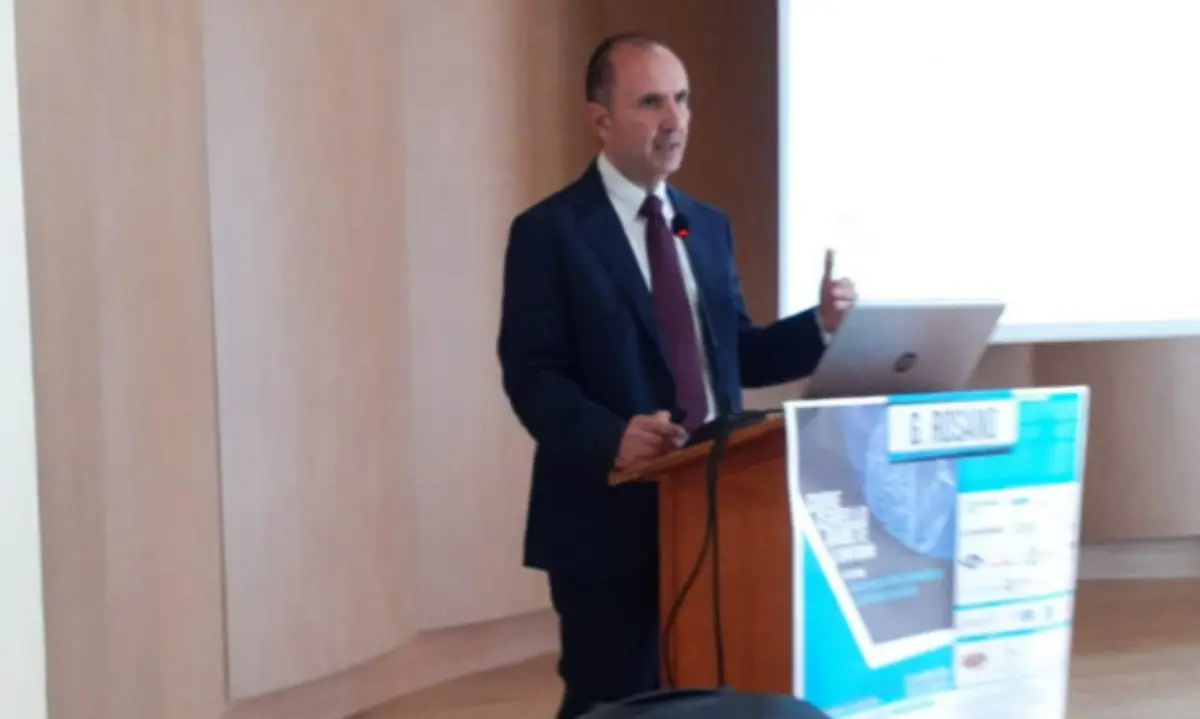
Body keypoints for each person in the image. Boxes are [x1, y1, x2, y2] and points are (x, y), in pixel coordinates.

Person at [496, 32, 857, 719]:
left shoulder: (704, 226)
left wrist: (820, 327)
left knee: (706, 699)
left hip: (717, 511)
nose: (675, 120)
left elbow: (738, 354)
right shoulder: (551, 231)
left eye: (683, 99)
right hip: (607, 520)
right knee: (612, 703)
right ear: (601, 119)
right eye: (652, 102)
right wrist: (610, 436)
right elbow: (531, 374)